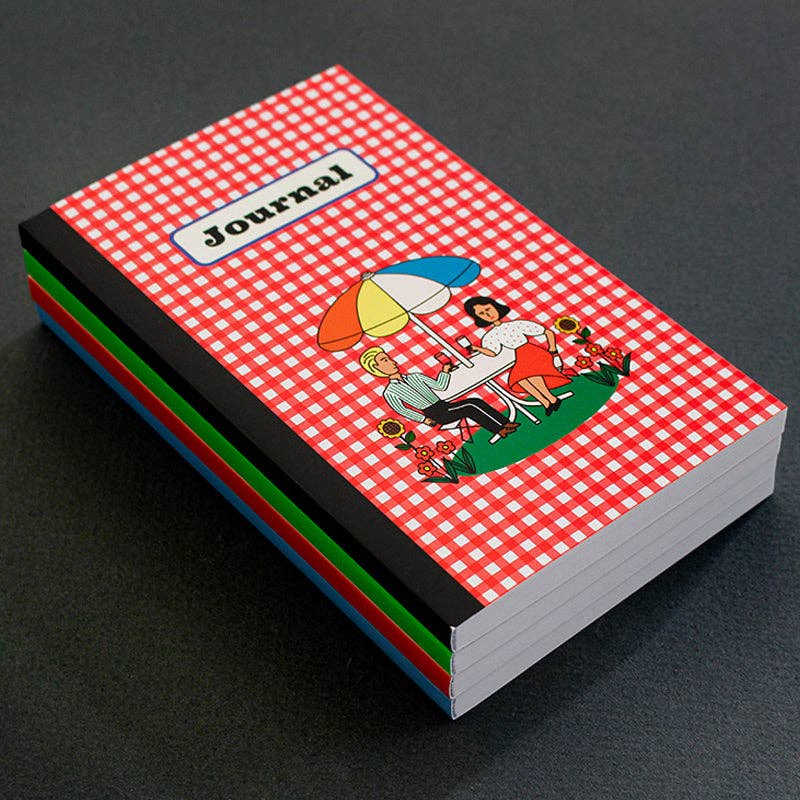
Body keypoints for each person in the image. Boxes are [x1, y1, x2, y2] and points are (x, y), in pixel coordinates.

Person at [359, 346, 519, 438]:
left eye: (388, 358)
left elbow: (440, 386)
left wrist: (445, 371)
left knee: (473, 403)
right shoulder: (390, 391)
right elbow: (402, 410)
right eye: (384, 360)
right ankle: (501, 428)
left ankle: (503, 426)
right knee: (471, 406)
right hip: (435, 413)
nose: (392, 361)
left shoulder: (415, 376)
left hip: (443, 405)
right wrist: (424, 419)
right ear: (376, 368)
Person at [464, 296, 571, 415]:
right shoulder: (491, 335)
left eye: (488, 309)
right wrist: (477, 348)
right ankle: (545, 402)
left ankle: (551, 399)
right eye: (482, 314)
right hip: (520, 356)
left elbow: (548, 332)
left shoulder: (515, 324)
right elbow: (493, 352)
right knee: (519, 380)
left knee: (530, 374)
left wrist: (553, 350)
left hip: (533, 352)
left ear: (495, 306)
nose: (488, 315)